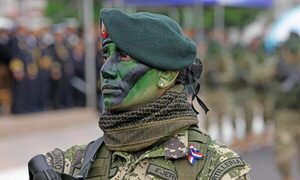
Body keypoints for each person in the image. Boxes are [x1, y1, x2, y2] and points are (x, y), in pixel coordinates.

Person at [28, 8, 251, 180]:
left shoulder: (214, 168)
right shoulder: (72, 164)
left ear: (165, 76)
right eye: (106, 55)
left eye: (124, 57)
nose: (106, 70)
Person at [273, 31, 300, 180]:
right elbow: (259, 74)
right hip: (284, 115)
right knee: (283, 155)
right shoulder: (280, 62)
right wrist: (277, 72)